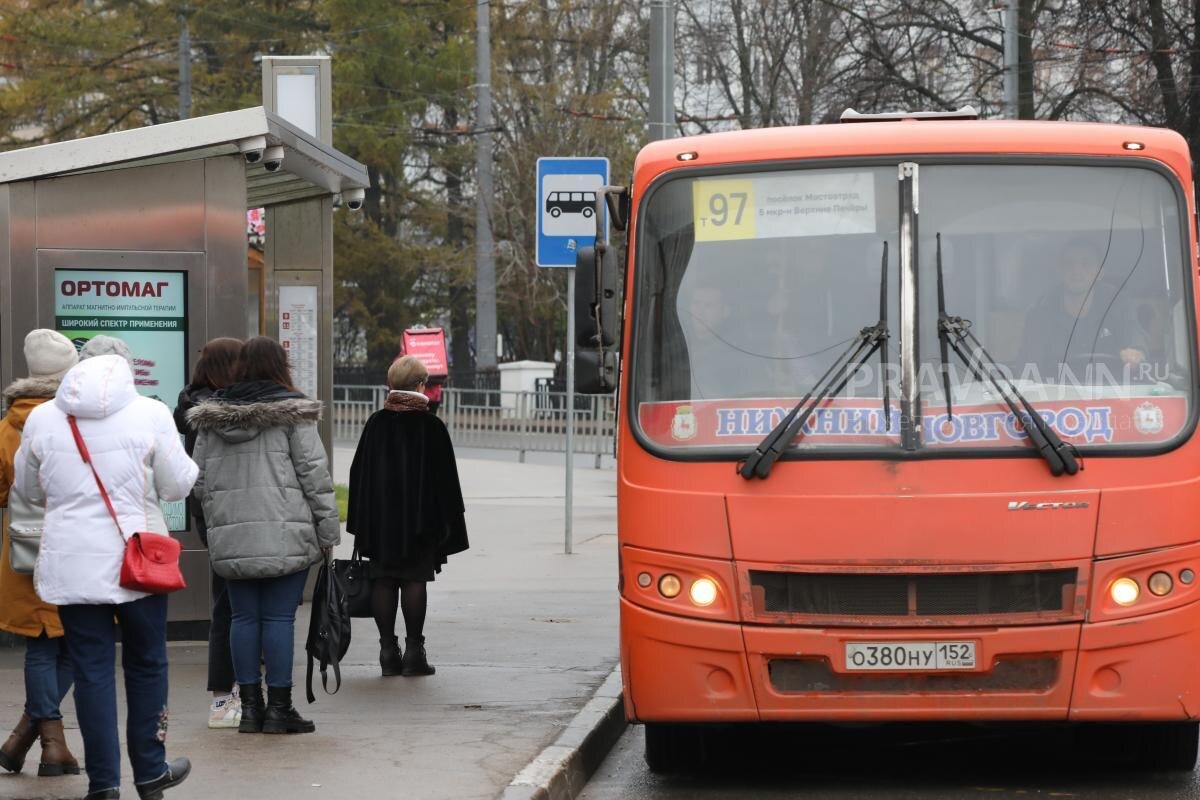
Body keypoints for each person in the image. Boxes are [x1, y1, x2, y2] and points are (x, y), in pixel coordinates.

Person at [14, 353, 197, 800]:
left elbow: (28, 489)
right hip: (139, 563)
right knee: (147, 663)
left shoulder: (43, 418)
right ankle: (150, 771)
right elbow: (177, 486)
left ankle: (104, 784)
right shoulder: (150, 412)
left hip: (72, 564)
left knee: (91, 671)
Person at [188, 337, 339, 735]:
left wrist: (220, 523)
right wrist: (327, 531)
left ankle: (250, 709)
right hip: (284, 533)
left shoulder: (211, 419)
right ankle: (279, 709)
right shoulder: (294, 415)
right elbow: (315, 477)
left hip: (232, 537)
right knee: (278, 618)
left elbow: (198, 483)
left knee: (242, 618)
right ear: (280, 366)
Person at [347, 356, 469, 677]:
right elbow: (447, 482)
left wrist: (363, 517)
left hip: (380, 523)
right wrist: (444, 524)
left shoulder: (376, 424)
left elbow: (359, 473)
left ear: (391, 385)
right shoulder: (432, 426)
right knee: (414, 579)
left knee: (384, 580)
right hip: (420, 523)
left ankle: (388, 652)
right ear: (420, 385)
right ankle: (415, 653)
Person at [0, 330, 80, 779]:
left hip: (26, 551)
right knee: (76, 641)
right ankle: (50, 741)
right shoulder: (76, 420)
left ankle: (27, 736)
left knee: (41, 641)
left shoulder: (8, 425)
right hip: (77, 546)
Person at [174, 337, 242, 729]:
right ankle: (238, 693)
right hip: (234, 510)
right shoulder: (231, 410)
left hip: (207, 512)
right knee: (237, 606)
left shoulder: (188, 404)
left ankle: (223, 698)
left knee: (224, 602)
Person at [1018, 240, 1149, 382]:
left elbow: (1134, 334)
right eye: (1069, 264)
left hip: (1113, 391)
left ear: (1100, 273)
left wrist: (1135, 352)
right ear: (1060, 271)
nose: (1077, 270)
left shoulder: (1118, 304)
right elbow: (1030, 370)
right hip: (1056, 392)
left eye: (1086, 264)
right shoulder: (1040, 313)